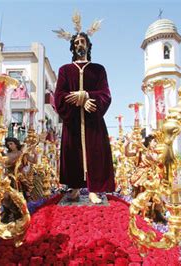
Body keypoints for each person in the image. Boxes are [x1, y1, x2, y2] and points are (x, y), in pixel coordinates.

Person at [54, 19, 115, 204]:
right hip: (72, 122)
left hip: (93, 122)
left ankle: (94, 189)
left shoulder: (98, 70)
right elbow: (59, 96)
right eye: (76, 43)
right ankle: (73, 188)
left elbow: (105, 94)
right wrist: (80, 101)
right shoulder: (65, 70)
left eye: (82, 42)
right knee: (73, 152)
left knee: (95, 152)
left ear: (88, 45)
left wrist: (87, 95)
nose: (79, 45)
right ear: (72, 47)